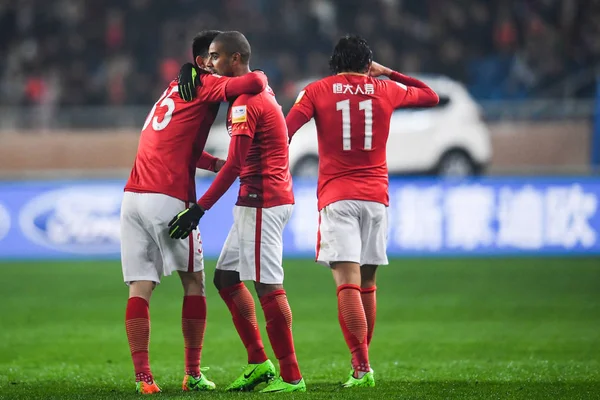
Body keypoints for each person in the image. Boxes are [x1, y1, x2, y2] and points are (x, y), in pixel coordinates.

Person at [285, 34, 439, 388]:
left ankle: (361, 367)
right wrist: (387, 73)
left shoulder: (317, 91)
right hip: (376, 198)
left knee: (346, 284)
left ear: (334, 63)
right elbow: (430, 96)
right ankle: (362, 365)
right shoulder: (384, 89)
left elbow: (286, 130)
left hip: (338, 197)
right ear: (368, 64)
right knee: (367, 283)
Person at [121, 29, 268, 394]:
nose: (218, 62)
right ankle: (192, 373)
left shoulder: (174, 89)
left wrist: (217, 164)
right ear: (205, 60)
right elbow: (253, 81)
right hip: (168, 197)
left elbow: (178, 144)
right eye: (213, 57)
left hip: (133, 197)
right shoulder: (204, 82)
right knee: (195, 282)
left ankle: (144, 378)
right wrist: (206, 70)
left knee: (140, 285)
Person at [169, 31, 306, 393]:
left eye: (214, 57)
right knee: (226, 277)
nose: (208, 63)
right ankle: (259, 362)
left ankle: (292, 377)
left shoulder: (245, 101)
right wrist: (189, 68)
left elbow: (234, 165)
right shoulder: (258, 88)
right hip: (261, 199)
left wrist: (200, 208)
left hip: (263, 200)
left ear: (233, 59)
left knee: (267, 286)